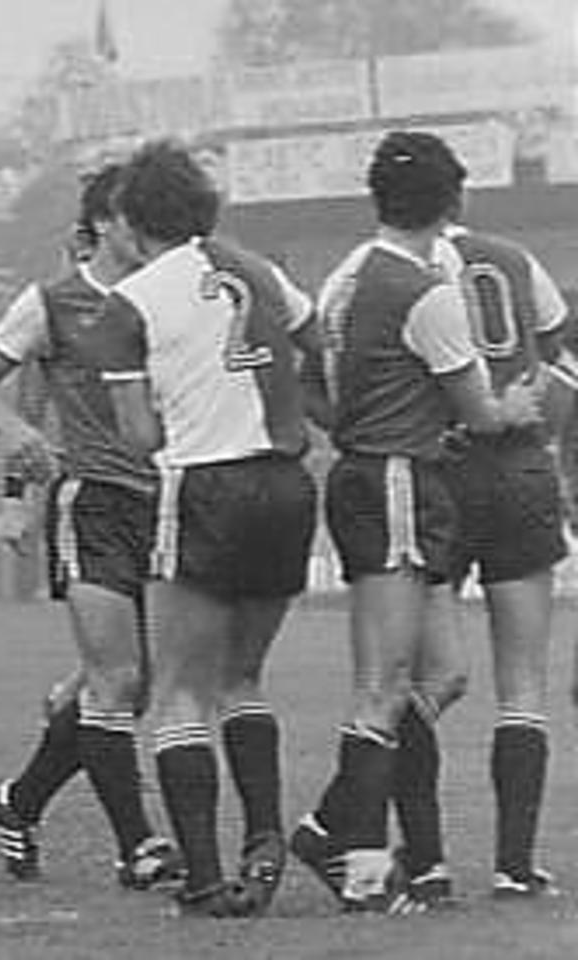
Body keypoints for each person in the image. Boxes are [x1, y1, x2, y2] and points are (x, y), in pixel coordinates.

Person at [290, 131, 543, 912]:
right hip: (400, 480)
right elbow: (482, 413)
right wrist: (517, 406)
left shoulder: (343, 277)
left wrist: (362, 421)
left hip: (372, 475)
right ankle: (360, 872)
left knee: (439, 676)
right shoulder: (426, 292)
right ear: (454, 200)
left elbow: (313, 389)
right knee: (382, 687)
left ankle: (332, 827)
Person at [95, 139, 322, 918]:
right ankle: (264, 834)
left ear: (131, 223)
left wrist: (185, 411)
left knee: (178, 690)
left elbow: (137, 436)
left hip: (204, 486)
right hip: (286, 485)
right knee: (243, 679)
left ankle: (202, 879)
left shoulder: (129, 303)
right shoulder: (260, 271)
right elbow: (317, 347)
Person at [0, 163, 179, 892]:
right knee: (118, 680)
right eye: (134, 215)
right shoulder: (52, 302)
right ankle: (139, 848)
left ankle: (19, 803)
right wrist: (17, 454)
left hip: (167, 505)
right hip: (95, 503)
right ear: (105, 224)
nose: (148, 229)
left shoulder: (169, 296)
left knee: (129, 687)